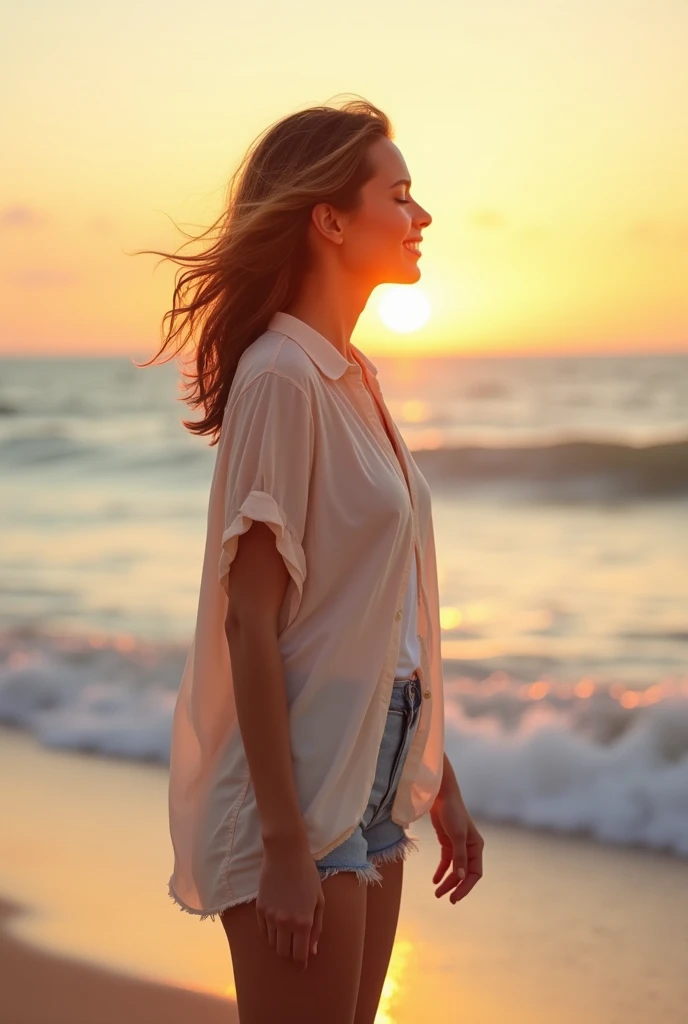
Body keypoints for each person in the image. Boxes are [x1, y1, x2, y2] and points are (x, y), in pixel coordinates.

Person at [139, 96, 484, 1024]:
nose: (421, 218)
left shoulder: (356, 374)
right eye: (400, 196)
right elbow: (249, 617)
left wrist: (435, 774)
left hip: (376, 762)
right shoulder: (282, 378)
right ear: (330, 219)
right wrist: (285, 844)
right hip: (299, 779)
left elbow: (378, 609)